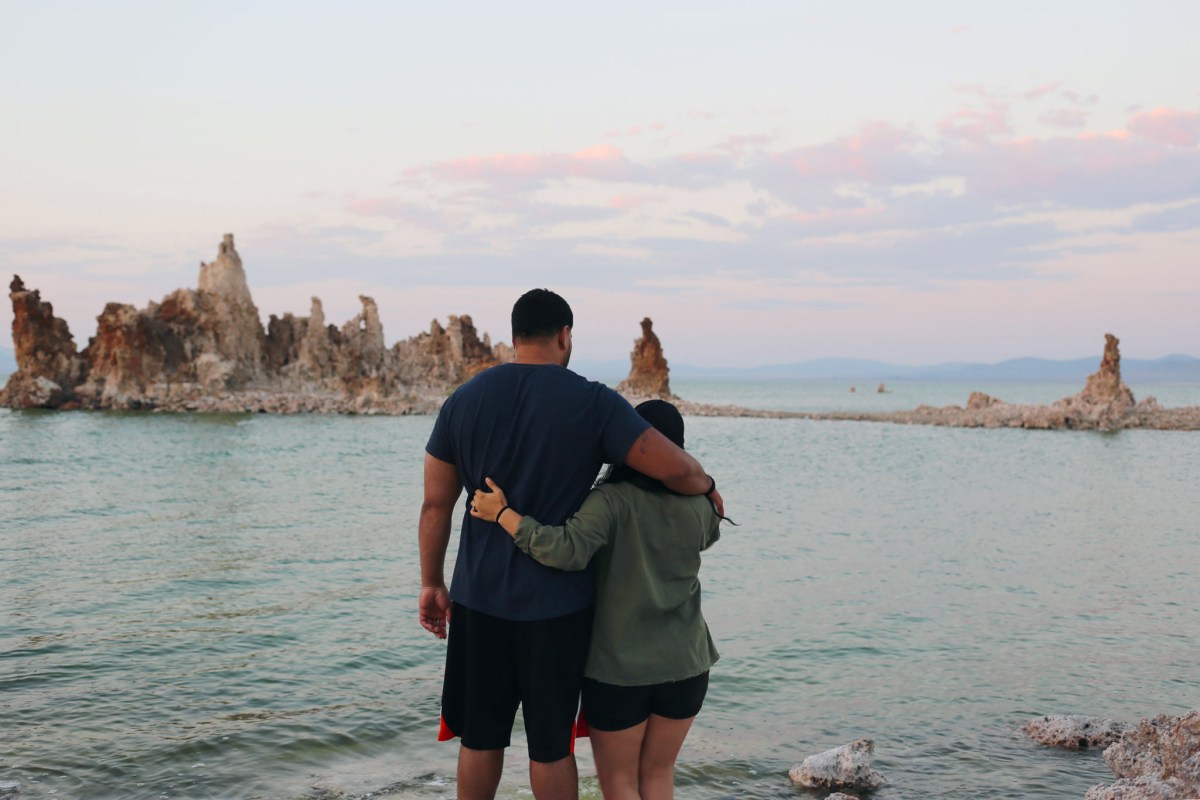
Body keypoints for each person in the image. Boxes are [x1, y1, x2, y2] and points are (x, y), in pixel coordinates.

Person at [419, 289, 724, 800]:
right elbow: (675, 467)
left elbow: (435, 506)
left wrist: (432, 583)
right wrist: (707, 485)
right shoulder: (593, 402)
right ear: (565, 336)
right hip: (557, 611)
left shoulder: (463, 401)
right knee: (551, 747)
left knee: (479, 738)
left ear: (514, 336)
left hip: (478, 600)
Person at [469, 400, 721, 800]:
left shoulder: (610, 501)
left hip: (621, 671)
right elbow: (709, 534)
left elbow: (564, 549)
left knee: (620, 784)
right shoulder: (703, 504)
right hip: (688, 666)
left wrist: (502, 514)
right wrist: (702, 483)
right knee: (658, 776)